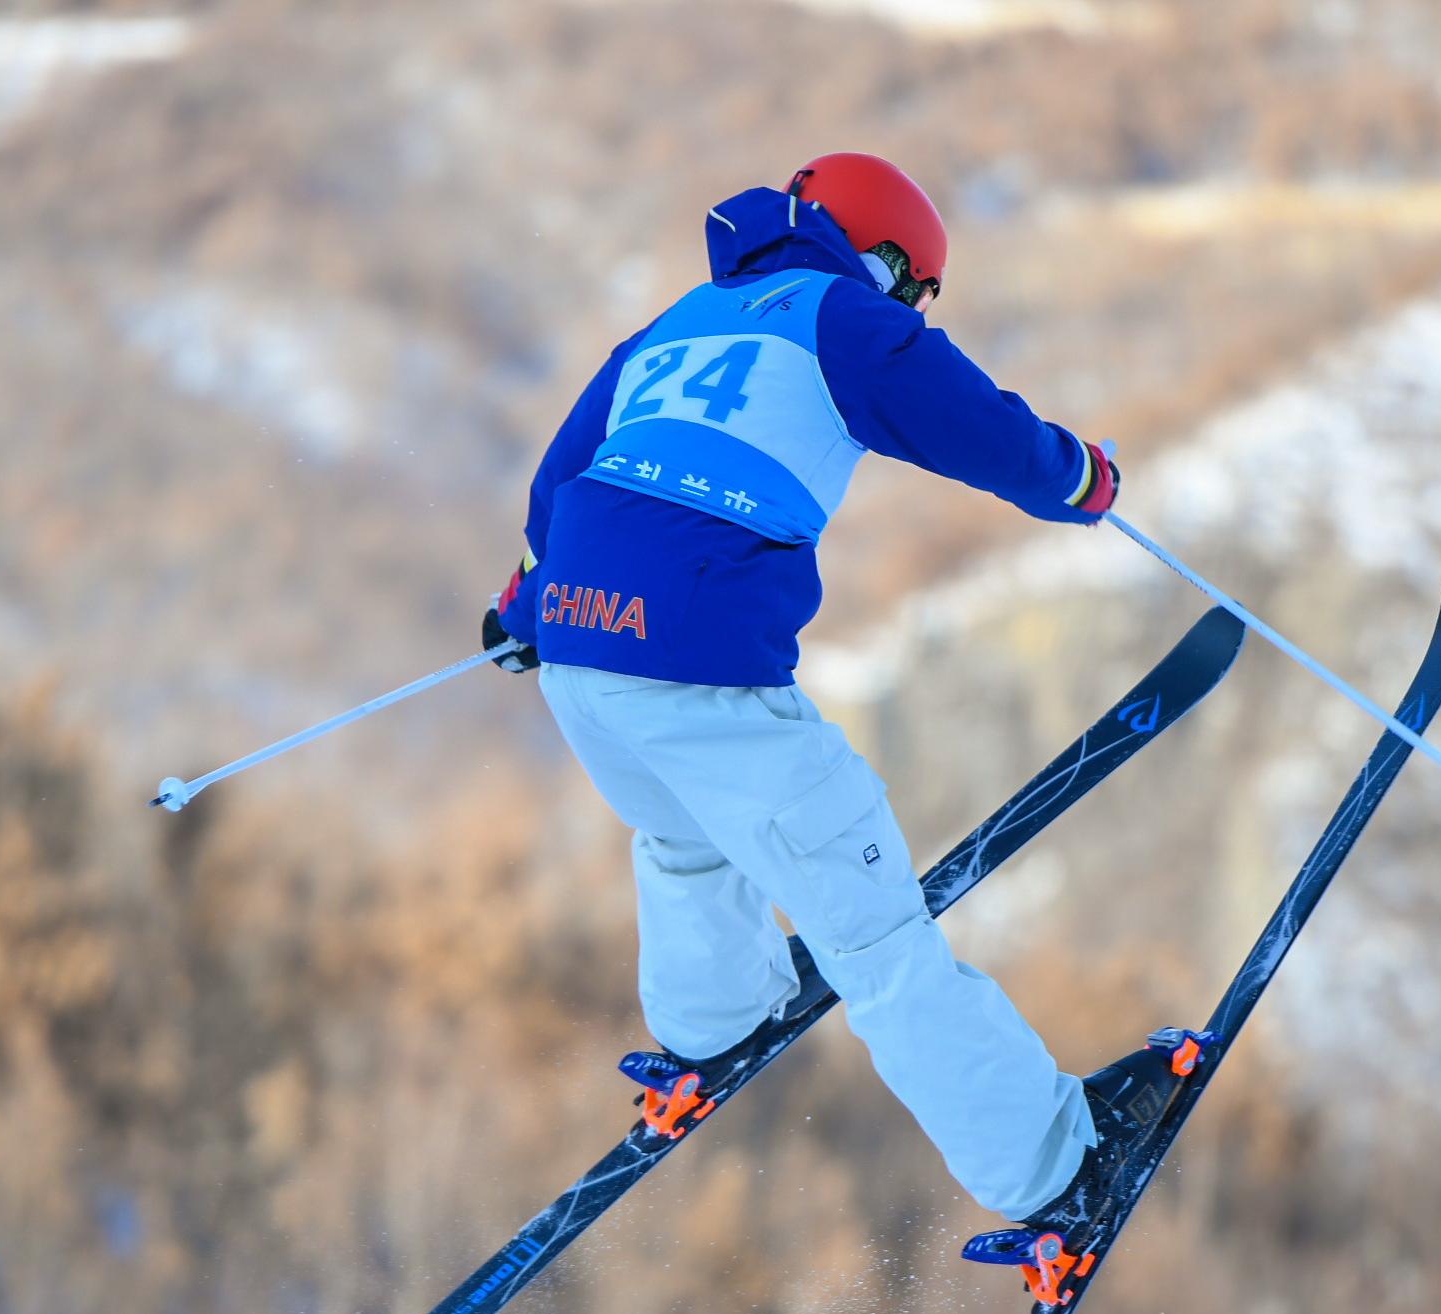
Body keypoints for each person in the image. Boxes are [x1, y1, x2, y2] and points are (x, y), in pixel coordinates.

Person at [480, 152, 1157, 1241]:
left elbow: (560, 482)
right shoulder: (838, 314)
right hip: (696, 664)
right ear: (878, 253)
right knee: (878, 942)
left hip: (579, 661)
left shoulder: (675, 323)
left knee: (682, 836)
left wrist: (521, 608)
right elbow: (977, 427)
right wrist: (1082, 477)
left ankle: (713, 1021)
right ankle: (1053, 1178)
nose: (912, 305)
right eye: (915, 284)